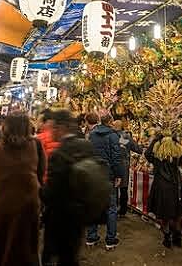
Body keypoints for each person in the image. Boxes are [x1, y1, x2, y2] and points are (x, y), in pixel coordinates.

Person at [0, 113, 45, 266]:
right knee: (25, 246)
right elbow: (41, 172)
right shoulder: (35, 146)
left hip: (2, 203)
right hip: (28, 204)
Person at [42, 110, 97, 266]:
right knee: (71, 256)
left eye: (53, 128)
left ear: (61, 128)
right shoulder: (87, 146)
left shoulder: (59, 154)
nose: (51, 131)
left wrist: (39, 191)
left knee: (54, 256)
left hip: (59, 218)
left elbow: (51, 192)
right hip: (79, 216)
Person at [144, 133, 182, 248]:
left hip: (162, 187)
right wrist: (176, 142)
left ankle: (167, 238)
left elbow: (147, 153)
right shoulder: (177, 157)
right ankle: (177, 238)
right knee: (177, 213)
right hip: (177, 186)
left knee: (165, 214)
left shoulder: (157, 159)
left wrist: (155, 140)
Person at [86, 114, 123, 250]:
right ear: (111, 122)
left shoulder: (92, 135)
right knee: (111, 208)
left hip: (93, 173)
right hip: (108, 175)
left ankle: (91, 237)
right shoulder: (113, 136)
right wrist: (119, 175)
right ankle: (110, 239)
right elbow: (116, 157)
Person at [113, 119, 142, 216]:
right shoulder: (126, 137)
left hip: (113, 164)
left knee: (114, 188)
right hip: (124, 164)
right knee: (123, 188)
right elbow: (137, 148)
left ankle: (114, 208)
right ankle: (123, 210)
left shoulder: (110, 136)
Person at [37, 109, 60, 181]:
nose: (37, 123)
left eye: (38, 121)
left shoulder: (38, 139)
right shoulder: (60, 136)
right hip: (57, 180)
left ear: (45, 122)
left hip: (42, 179)